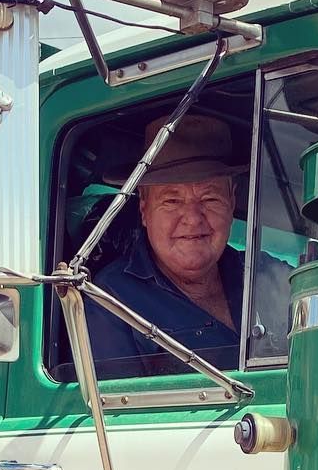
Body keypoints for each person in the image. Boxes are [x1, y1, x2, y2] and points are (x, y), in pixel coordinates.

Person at [82, 113, 287, 376]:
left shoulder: (265, 273)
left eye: (209, 198)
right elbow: (121, 413)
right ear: (144, 209)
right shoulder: (112, 299)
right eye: (172, 201)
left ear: (232, 202)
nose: (192, 219)